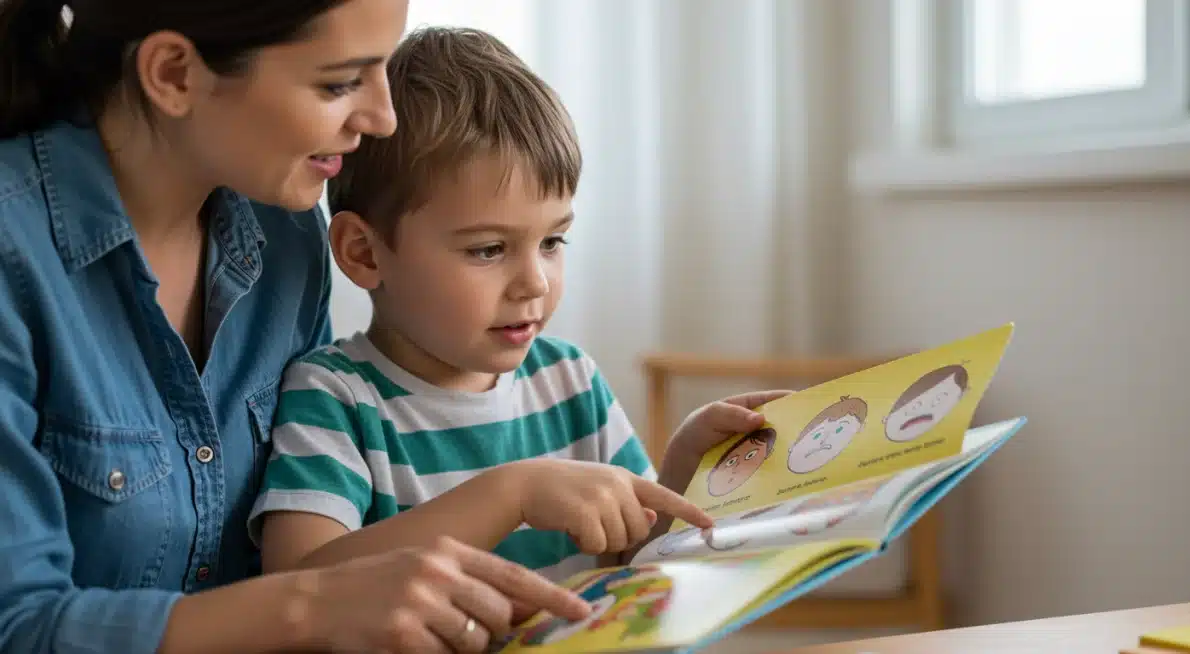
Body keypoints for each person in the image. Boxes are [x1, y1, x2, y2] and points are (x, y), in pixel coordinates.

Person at [0, 1, 596, 653]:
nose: (382, 119)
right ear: (174, 73)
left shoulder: (284, 232)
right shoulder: (14, 254)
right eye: (339, 83)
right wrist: (312, 603)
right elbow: (15, 625)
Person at [248, 25, 790, 589]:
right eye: (488, 249)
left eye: (552, 242)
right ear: (364, 253)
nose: (534, 283)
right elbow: (297, 585)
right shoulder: (335, 398)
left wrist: (683, 469)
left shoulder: (570, 380)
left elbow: (632, 558)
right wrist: (509, 496)